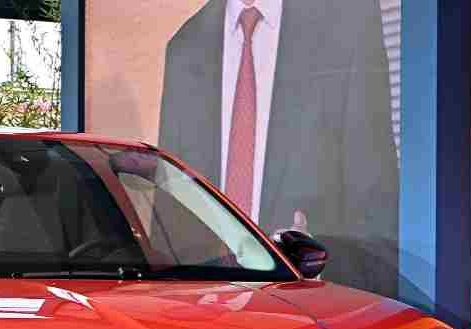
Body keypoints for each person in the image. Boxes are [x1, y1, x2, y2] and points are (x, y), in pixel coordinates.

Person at [159, 0, 399, 295]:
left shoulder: (348, 23)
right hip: (207, 308)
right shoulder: (185, 47)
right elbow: (168, 212)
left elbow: (376, 206)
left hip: (315, 306)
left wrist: (322, 267)